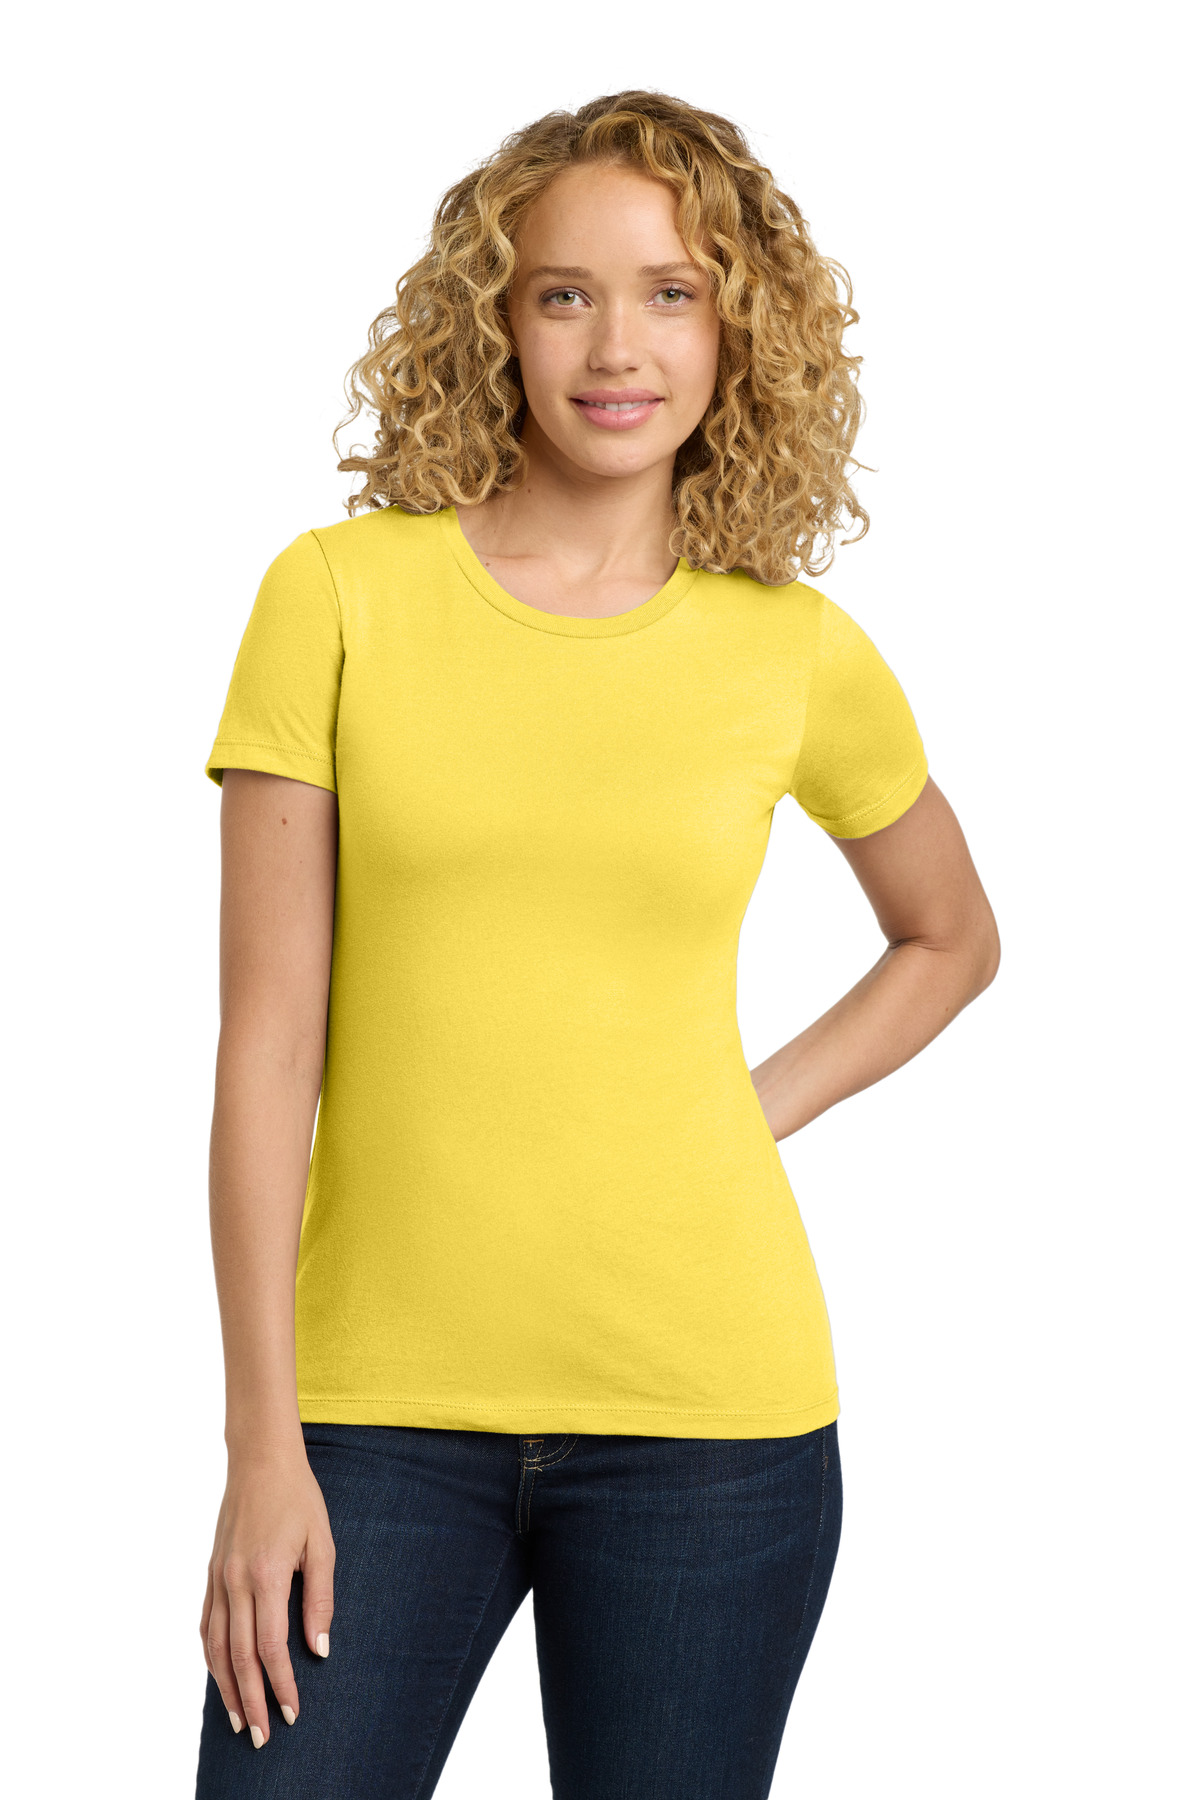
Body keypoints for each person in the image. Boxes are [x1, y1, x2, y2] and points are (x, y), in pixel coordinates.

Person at [193, 90, 1000, 1799]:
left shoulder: (794, 652)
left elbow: (949, 935)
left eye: (670, 294)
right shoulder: (336, 597)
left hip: (712, 1429)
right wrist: (265, 1440)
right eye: (563, 293)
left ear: (738, 329)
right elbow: (266, 1043)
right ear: (493, 320)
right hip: (373, 1422)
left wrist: (745, 1110)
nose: (616, 347)